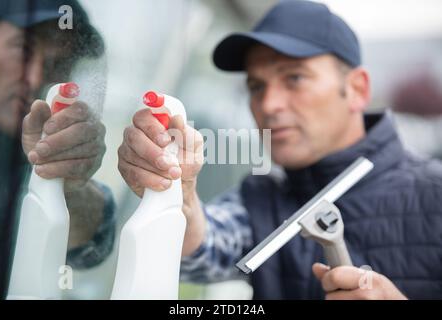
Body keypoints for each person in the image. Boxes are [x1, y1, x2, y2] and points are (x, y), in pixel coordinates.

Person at [117, 0, 442, 299]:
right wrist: (178, 189)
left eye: (295, 78)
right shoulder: (259, 199)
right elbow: (202, 249)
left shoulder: (435, 193)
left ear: (356, 89)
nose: (268, 105)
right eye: (256, 86)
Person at [0, 0, 115, 299]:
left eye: (58, 63)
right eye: (22, 49)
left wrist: (69, 185)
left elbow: (89, 249)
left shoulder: (30, 150)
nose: (34, 78)